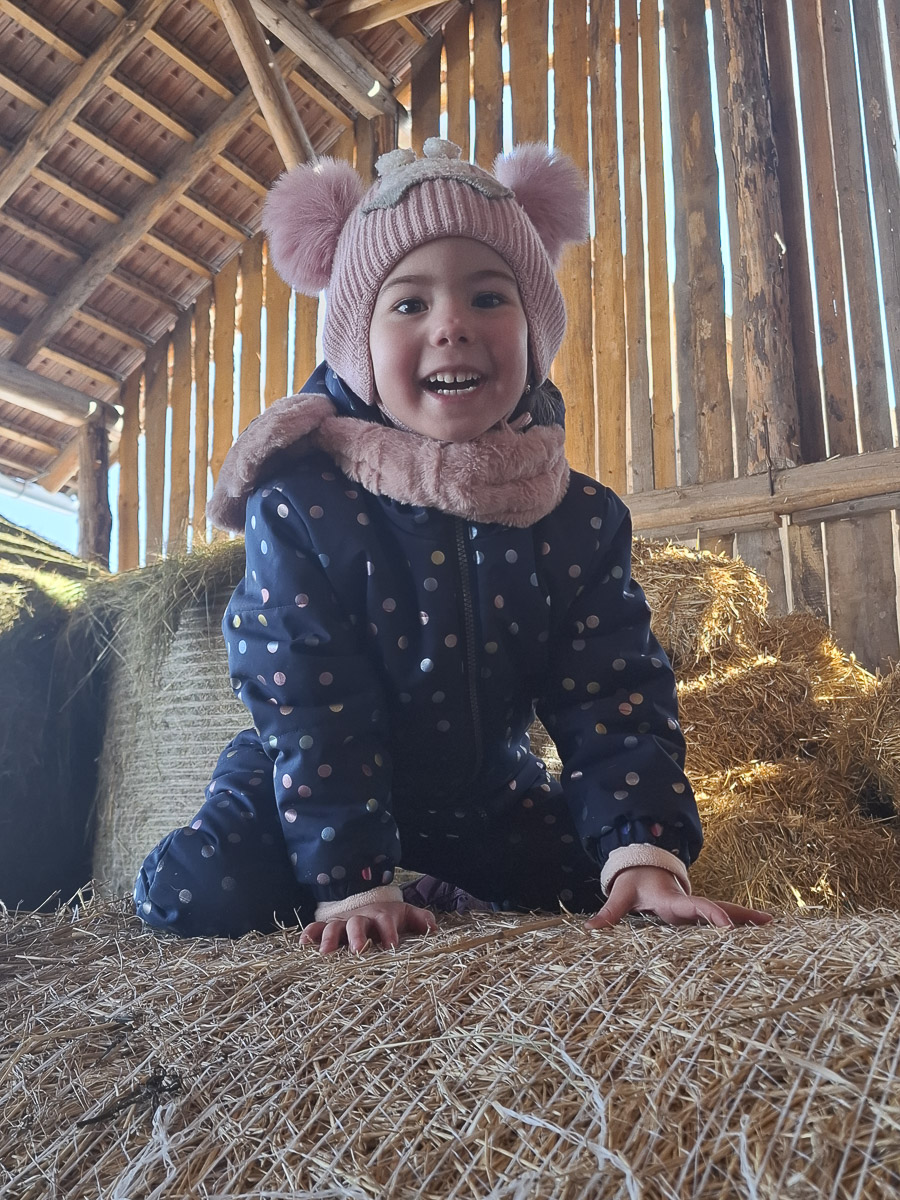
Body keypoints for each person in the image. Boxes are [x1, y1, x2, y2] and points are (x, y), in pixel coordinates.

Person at [134, 139, 770, 951]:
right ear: (358, 348)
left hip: (483, 795)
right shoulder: (304, 505)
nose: (452, 326)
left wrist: (641, 854)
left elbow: (610, 692)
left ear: (533, 333)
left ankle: (440, 880)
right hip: (308, 784)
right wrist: (352, 879)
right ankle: (356, 873)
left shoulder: (577, 519)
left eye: (489, 297)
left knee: (597, 885)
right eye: (409, 304)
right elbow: (311, 700)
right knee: (203, 893)